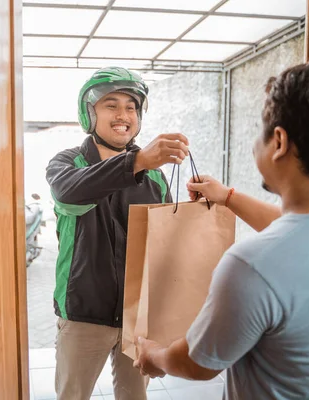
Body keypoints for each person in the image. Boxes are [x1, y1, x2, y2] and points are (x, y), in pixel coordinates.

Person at [134, 63, 309, 399]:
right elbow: (303, 235)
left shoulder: (250, 265)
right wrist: (227, 197)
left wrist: (154, 356)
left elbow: (199, 363)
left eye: (259, 130)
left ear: (279, 141)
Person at [46, 66, 189, 400]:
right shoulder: (67, 164)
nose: (123, 114)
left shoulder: (154, 177)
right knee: (72, 395)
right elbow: (70, 194)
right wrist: (137, 162)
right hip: (84, 315)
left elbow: (164, 242)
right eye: (111, 105)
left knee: (134, 396)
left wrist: (196, 209)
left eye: (131, 106)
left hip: (138, 318)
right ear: (89, 112)